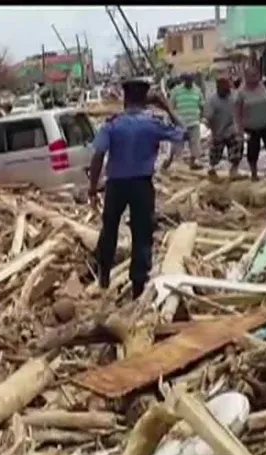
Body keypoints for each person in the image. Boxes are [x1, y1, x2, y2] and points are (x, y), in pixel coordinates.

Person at [88, 78, 187, 299]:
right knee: (142, 234)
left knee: (109, 229)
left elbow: (98, 156)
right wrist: (166, 107)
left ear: (125, 98)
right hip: (142, 185)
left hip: (116, 185)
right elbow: (183, 132)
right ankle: (138, 285)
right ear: (145, 99)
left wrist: (93, 188)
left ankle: (104, 274)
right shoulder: (153, 123)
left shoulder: (112, 124)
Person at [234, 65, 266, 181]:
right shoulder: (241, 92)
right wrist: (239, 129)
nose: (254, 78)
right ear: (246, 77)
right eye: (251, 76)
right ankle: (254, 174)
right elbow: (237, 111)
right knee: (252, 150)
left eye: (256, 75)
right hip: (251, 127)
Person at [204, 75, 244, 179]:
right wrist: (214, 133)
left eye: (227, 89)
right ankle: (211, 168)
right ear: (218, 88)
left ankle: (234, 170)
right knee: (215, 153)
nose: (226, 91)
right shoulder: (212, 101)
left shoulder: (233, 96)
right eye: (223, 89)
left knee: (237, 145)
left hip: (231, 129)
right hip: (218, 131)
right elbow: (208, 119)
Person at [162, 73, 204, 171]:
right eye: (187, 80)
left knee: (195, 145)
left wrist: (200, 117)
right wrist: (174, 119)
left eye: (190, 80)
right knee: (177, 146)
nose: (189, 82)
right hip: (180, 124)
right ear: (184, 80)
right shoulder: (176, 91)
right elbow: (170, 107)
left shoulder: (197, 91)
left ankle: (193, 163)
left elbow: (201, 105)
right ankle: (174, 164)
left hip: (194, 123)